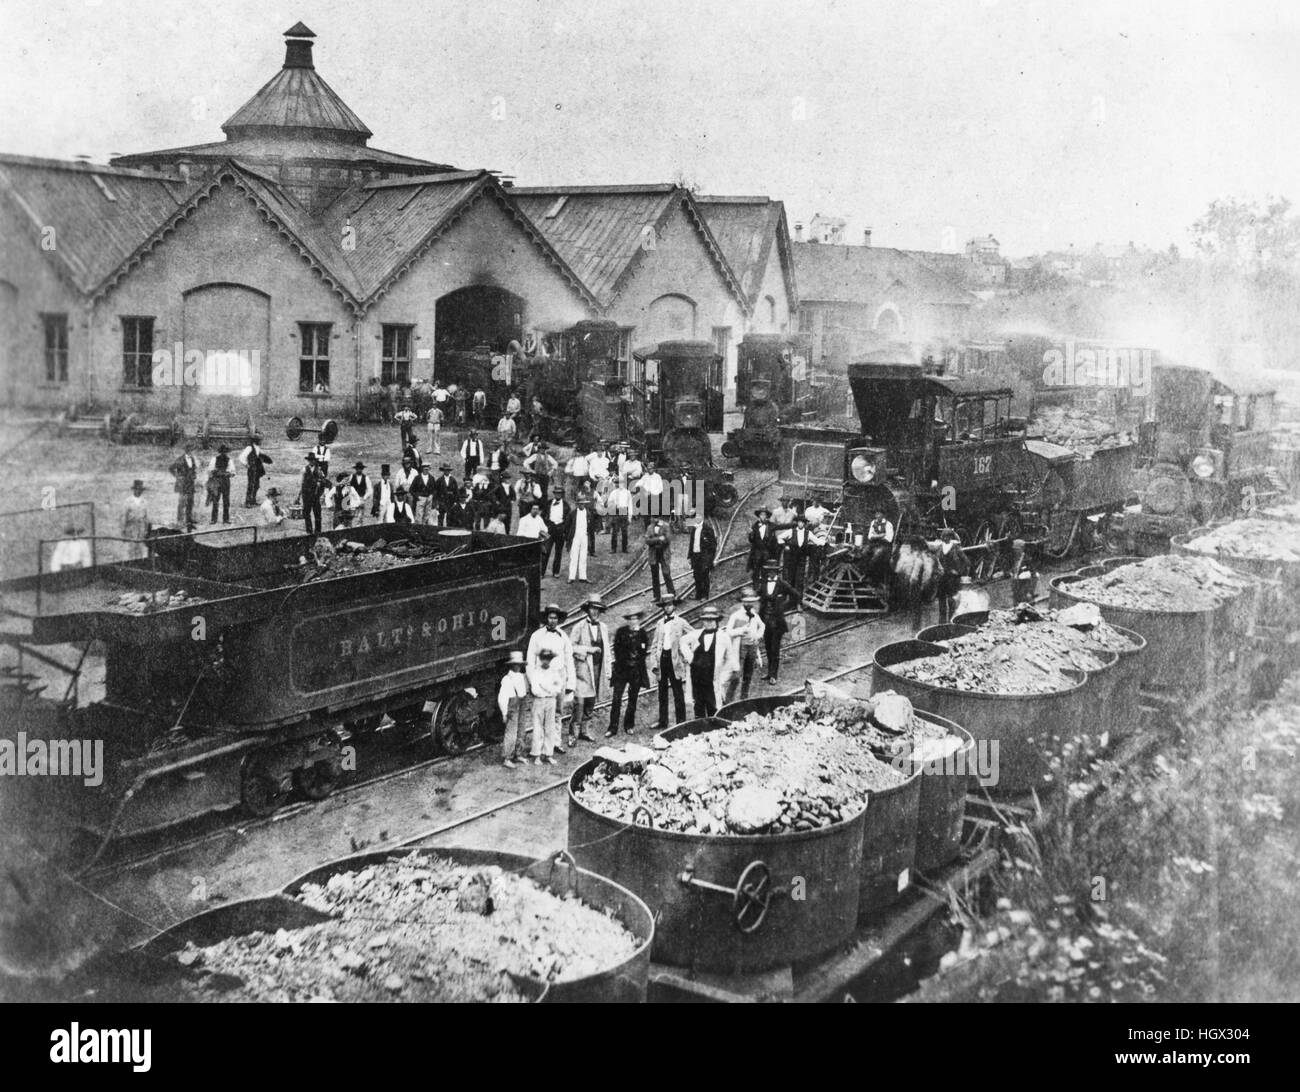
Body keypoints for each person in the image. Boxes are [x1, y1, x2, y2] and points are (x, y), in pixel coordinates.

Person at [526, 604, 576, 764]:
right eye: (550, 617)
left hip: (558, 678)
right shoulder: (537, 636)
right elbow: (530, 661)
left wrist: (570, 683)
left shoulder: (563, 636)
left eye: (555, 618)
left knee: (558, 713)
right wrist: (533, 683)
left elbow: (569, 659)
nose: (553, 620)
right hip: (541, 678)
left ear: (558, 619)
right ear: (546, 619)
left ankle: (554, 743)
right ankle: (538, 749)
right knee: (540, 717)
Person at [568, 594, 611, 745]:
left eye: (597, 609)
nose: (594, 612)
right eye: (592, 609)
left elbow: (607, 650)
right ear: (588, 610)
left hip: (597, 669)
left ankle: (585, 731)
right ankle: (573, 734)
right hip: (582, 671)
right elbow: (570, 647)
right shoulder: (579, 627)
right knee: (579, 703)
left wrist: (608, 671)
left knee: (590, 703)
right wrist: (588, 650)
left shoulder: (603, 628)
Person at [649, 594, 693, 731]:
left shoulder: (680, 621)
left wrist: (686, 652)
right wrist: (654, 663)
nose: (667, 608)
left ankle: (681, 722)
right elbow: (655, 645)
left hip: (676, 661)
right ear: (662, 608)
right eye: (665, 606)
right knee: (662, 692)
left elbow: (694, 635)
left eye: (670, 605)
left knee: (677, 691)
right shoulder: (660, 623)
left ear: (674, 606)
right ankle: (663, 721)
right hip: (662, 659)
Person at [682, 606, 734, 718]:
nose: (709, 623)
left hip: (712, 679)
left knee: (713, 707)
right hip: (697, 678)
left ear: (716, 620)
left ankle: (714, 729)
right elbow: (683, 641)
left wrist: (723, 679)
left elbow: (730, 659)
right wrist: (690, 658)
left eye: (711, 620)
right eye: (706, 620)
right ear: (703, 621)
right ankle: (699, 729)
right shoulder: (696, 634)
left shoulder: (723, 637)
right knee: (698, 706)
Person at [607, 607, 650, 737]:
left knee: (633, 699)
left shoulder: (643, 633)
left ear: (638, 620)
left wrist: (636, 664)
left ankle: (629, 725)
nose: (633, 621)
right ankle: (612, 727)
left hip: (636, 670)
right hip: (622, 670)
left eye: (635, 618)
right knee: (616, 698)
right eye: (630, 619)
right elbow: (616, 649)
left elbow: (643, 652)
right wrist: (623, 663)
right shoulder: (621, 632)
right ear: (627, 620)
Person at [758, 559, 800, 685]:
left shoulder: (782, 583)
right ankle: (769, 673)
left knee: (775, 649)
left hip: (777, 622)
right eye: (768, 571)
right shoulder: (764, 583)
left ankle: (773, 675)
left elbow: (796, 595)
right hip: (765, 620)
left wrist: (783, 606)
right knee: (768, 648)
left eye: (772, 571)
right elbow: (758, 595)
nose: (770, 573)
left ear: (776, 571)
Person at [724, 591, 766, 703]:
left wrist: (757, 636)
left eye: (751, 602)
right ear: (742, 602)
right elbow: (728, 631)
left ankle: (744, 699)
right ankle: (728, 701)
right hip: (739, 648)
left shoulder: (754, 614)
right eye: (747, 602)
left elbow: (762, 626)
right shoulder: (736, 615)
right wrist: (740, 631)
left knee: (748, 675)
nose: (749, 604)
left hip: (752, 647)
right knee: (736, 676)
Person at [498, 650, 530, 769]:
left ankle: (518, 754)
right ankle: (507, 757)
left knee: (521, 730)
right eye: (516, 664)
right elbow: (502, 698)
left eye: (519, 664)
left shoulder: (522, 677)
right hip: (512, 707)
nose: (518, 666)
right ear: (511, 665)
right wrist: (504, 713)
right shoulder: (507, 679)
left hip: (522, 705)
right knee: (511, 733)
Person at [934, 528, 970, 622]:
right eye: (942, 536)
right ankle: (941, 623)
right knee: (941, 601)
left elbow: (966, 562)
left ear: (950, 537)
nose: (943, 538)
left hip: (952, 579)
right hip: (942, 579)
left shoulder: (956, 548)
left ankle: (951, 620)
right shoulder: (939, 548)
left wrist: (959, 572)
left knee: (951, 600)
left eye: (945, 536)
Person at [686, 513, 718, 599]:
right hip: (695, 556)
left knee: (704, 576)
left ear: (702, 517)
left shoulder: (708, 529)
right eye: (696, 517)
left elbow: (713, 545)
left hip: (704, 557)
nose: (697, 518)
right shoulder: (694, 528)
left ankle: (705, 595)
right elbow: (691, 543)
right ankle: (698, 595)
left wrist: (710, 559)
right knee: (697, 576)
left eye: (699, 517)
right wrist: (689, 556)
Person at [170, 442, 200, 532]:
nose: (191, 452)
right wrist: (178, 477)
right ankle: (180, 521)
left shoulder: (193, 459)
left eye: (192, 450)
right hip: (182, 484)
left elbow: (193, 469)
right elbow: (171, 468)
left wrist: (194, 475)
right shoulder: (180, 459)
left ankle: (189, 521)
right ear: (187, 450)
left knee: (190, 502)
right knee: (182, 503)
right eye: (190, 450)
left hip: (190, 484)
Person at [644, 516, 676, 601]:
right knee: (655, 576)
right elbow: (647, 540)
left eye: (655, 518)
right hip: (653, 554)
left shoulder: (665, 526)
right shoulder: (649, 527)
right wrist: (659, 538)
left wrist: (654, 540)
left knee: (666, 574)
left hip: (663, 553)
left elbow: (667, 539)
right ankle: (656, 596)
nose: (654, 519)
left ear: (659, 518)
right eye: (652, 518)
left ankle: (672, 593)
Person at [746, 507, 779, 589]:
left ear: (767, 516)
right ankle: (756, 587)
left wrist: (794, 524)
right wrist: (750, 534)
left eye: (765, 515)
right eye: (761, 514)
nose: (763, 516)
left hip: (767, 552)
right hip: (757, 552)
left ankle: (764, 589)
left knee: (766, 571)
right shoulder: (755, 526)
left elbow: (782, 526)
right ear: (759, 516)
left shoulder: (771, 525)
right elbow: (751, 540)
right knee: (756, 570)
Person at [542, 486, 570, 578]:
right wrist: (547, 526)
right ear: (554, 494)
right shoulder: (548, 503)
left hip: (560, 530)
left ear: (562, 494)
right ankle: (542, 572)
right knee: (546, 551)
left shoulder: (566, 505)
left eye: (560, 493)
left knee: (558, 552)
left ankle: (556, 572)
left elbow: (568, 520)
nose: (558, 494)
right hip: (550, 529)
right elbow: (543, 516)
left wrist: (564, 530)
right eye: (556, 493)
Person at [566, 494, 595, 583]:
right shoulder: (573, 513)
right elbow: (567, 526)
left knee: (583, 557)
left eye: (583, 503)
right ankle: (571, 577)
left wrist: (589, 537)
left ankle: (583, 577)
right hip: (575, 537)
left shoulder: (588, 513)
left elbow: (590, 527)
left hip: (584, 536)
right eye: (580, 503)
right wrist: (568, 538)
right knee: (574, 557)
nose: (582, 505)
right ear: (577, 504)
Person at [238, 434, 271, 507]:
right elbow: (241, 457)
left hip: (257, 469)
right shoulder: (249, 448)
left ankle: (253, 500)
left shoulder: (257, 448)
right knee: (251, 485)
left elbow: (262, 454)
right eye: (259, 440)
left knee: (256, 485)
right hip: (252, 469)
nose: (261, 442)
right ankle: (248, 502)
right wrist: (246, 465)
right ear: (256, 441)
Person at [784, 513, 814, 592]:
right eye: (799, 522)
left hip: (802, 559)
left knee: (800, 579)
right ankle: (790, 598)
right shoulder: (791, 531)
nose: (801, 524)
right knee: (791, 577)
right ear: (797, 523)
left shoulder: (808, 533)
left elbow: (816, 540)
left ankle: (799, 598)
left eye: (803, 522)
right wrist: (785, 545)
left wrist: (824, 542)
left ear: (804, 524)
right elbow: (780, 537)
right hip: (792, 558)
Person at [121, 479, 150, 560]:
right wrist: (123, 530)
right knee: (131, 550)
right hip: (131, 528)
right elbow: (123, 516)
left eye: (140, 489)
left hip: (141, 529)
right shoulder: (128, 501)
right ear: (134, 489)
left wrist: (146, 531)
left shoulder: (144, 502)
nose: (138, 491)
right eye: (137, 489)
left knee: (141, 551)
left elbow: (146, 518)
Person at [865, 509, 895, 581]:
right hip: (874, 544)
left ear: (883, 515)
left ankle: (870, 576)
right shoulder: (873, 522)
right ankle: (864, 573)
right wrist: (881, 535)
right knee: (864, 552)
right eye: (876, 514)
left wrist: (876, 536)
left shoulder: (888, 524)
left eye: (878, 514)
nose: (876, 516)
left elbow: (889, 539)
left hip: (885, 546)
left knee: (876, 554)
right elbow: (869, 536)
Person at [300, 453, 327, 534]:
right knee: (307, 514)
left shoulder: (319, 470)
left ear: (315, 461)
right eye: (310, 460)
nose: (311, 462)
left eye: (313, 460)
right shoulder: (304, 469)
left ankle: (318, 531)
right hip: (307, 495)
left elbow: (324, 481)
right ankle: (309, 531)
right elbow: (302, 482)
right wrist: (300, 495)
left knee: (317, 514)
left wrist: (320, 483)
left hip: (316, 495)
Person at [606, 478, 632, 553]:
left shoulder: (627, 493)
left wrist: (630, 516)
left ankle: (625, 548)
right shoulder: (613, 493)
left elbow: (630, 505)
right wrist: (613, 506)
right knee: (614, 532)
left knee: (624, 532)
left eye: (620, 483)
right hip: (616, 513)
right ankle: (613, 548)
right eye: (617, 483)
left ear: (623, 484)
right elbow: (609, 503)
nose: (618, 484)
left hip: (624, 512)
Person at [635, 463, 664, 527]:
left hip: (655, 497)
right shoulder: (645, 476)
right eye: (648, 469)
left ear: (654, 469)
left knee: (655, 515)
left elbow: (660, 488)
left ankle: (656, 529)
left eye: (651, 468)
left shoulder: (657, 477)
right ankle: (647, 529)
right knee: (646, 516)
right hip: (646, 497)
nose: (649, 470)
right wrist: (643, 490)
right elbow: (638, 484)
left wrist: (652, 493)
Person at [1011, 538, 1037, 605]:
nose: (1015, 551)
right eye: (1014, 549)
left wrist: (1030, 591)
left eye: (1017, 549)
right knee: (1016, 600)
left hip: (1025, 584)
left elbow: (1033, 572)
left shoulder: (1027, 559)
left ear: (1022, 549)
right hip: (1016, 584)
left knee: (1026, 600)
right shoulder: (1014, 558)